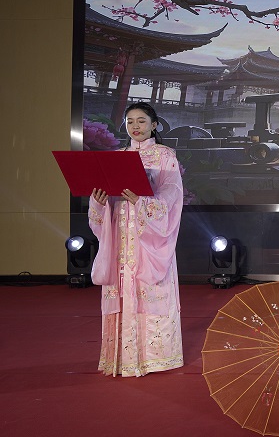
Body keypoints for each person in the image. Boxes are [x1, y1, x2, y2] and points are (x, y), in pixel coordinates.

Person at [88, 102, 184, 377]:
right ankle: (121, 359)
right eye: (130, 121)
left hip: (148, 238)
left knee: (149, 289)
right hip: (120, 236)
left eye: (141, 121)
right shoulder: (117, 156)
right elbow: (106, 198)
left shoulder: (165, 156)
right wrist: (99, 202)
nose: (135, 126)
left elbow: (171, 196)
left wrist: (142, 201)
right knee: (121, 289)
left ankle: (156, 358)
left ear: (154, 125)